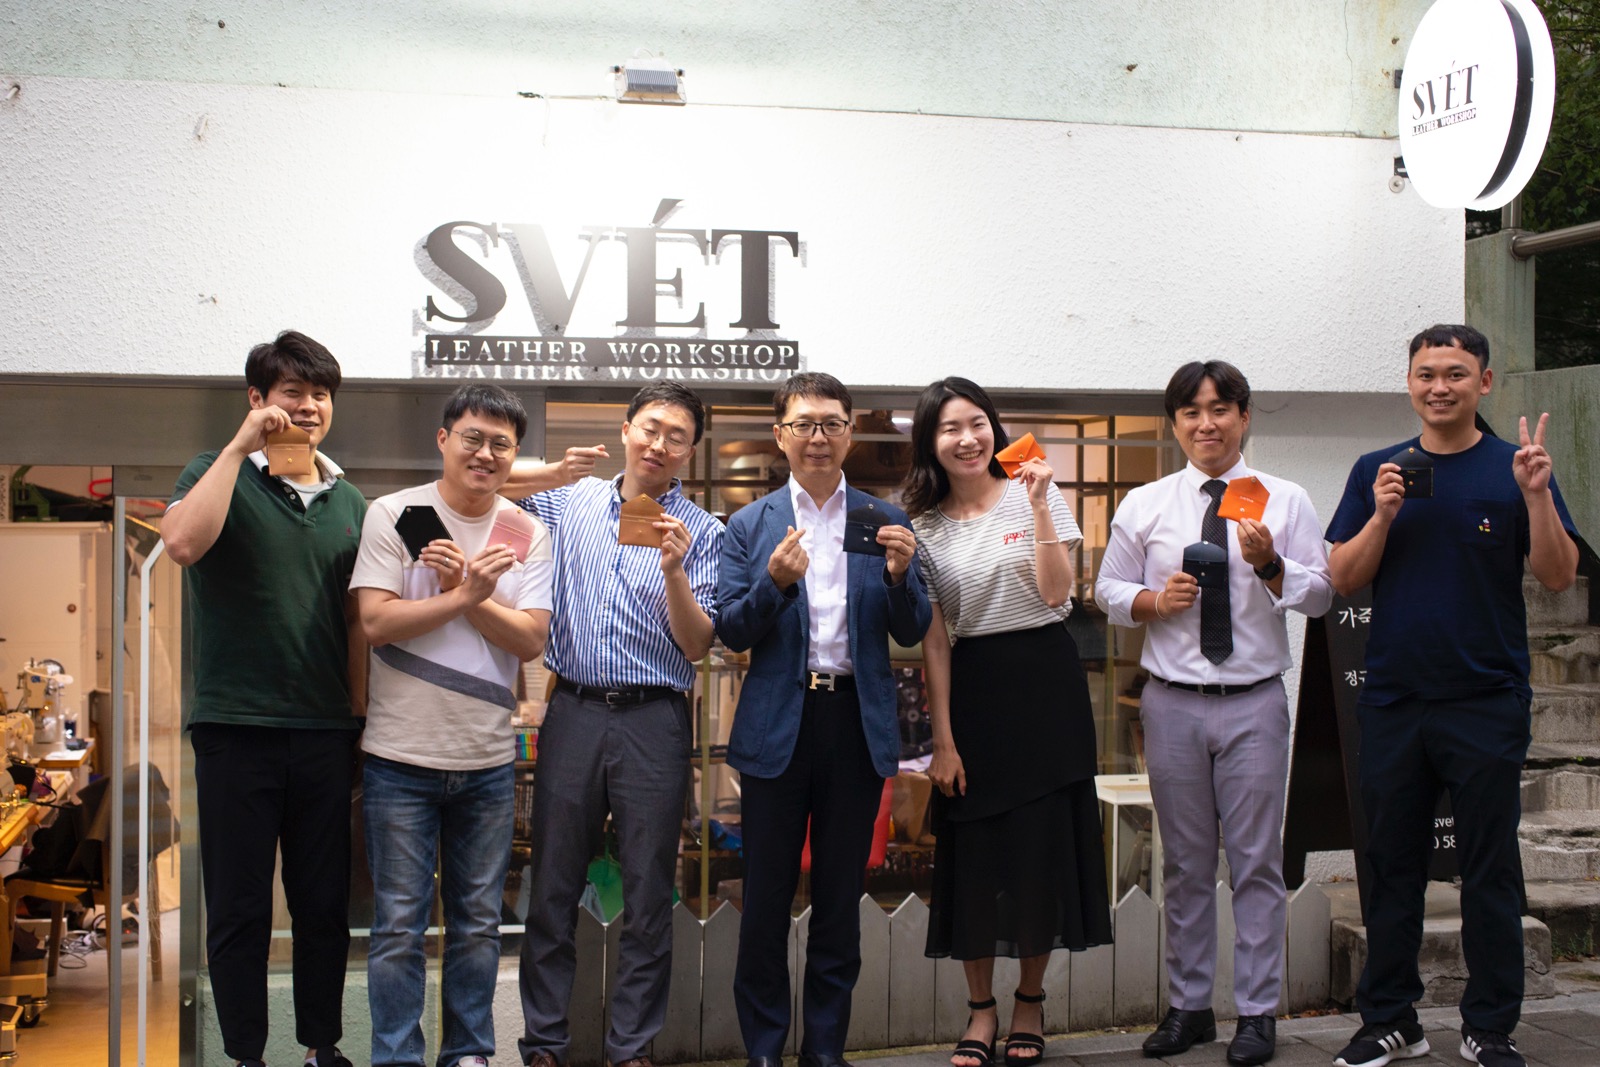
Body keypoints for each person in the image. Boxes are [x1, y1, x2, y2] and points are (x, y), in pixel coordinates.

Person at [1326, 325, 1578, 1067]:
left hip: (1486, 699)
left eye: (1457, 373)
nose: (1440, 386)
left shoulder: (1515, 466)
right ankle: (1389, 1019)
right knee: (1391, 864)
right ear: (1409, 382)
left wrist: (1536, 497)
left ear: (1484, 383)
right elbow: (1343, 578)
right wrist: (1382, 514)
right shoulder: (1377, 470)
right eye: (1427, 373)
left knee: (1490, 866)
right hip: (1394, 700)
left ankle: (1489, 1024)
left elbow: (1558, 574)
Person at [1096, 360, 1333, 1066]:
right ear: (1175, 424)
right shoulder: (1146, 503)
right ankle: (1190, 1007)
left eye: (1221, 409)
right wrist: (1152, 601)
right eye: (1192, 412)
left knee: (1257, 862)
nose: (1207, 424)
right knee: (1186, 864)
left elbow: (1322, 596)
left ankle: (1257, 1013)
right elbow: (1108, 588)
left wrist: (1271, 566)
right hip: (1171, 702)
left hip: (1254, 701)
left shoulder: (1285, 500)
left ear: (1245, 416)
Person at [717, 371, 932, 1067]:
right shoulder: (749, 524)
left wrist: (899, 577)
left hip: (854, 723)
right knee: (766, 900)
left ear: (849, 432)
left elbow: (912, 626)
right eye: (804, 423)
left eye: (832, 423)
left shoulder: (882, 518)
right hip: (777, 723)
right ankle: (764, 1050)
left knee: (841, 900)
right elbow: (732, 629)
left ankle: (826, 1050)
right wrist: (774, 583)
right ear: (780, 434)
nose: (818, 436)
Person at [163, 330, 365, 1067]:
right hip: (235, 727)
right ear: (257, 398)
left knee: (323, 906)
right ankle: (245, 1054)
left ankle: (320, 1048)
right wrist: (238, 447)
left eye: (320, 394)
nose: (308, 406)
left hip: (324, 731)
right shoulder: (213, 471)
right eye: (292, 392)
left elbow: (358, 622)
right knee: (239, 906)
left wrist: (358, 722)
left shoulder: (351, 500)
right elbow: (182, 544)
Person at [507, 382, 723, 1067]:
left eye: (677, 436)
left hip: (655, 718)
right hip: (572, 708)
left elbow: (697, 644)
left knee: (649, 890)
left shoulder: (704, 532)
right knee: (553, 885)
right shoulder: (569, 502)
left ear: (692, 449)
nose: (660, 444)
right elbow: (482, 484)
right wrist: (552, 469)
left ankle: (631, 1047)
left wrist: (675, 570)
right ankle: (544, 1042)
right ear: (626, 429)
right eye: (651, 428)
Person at [903, 377, 1112, 1067]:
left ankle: (1029, 1001)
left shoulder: (1036, 492)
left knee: (1038, 857)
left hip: (1046, 686)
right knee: (975, 859)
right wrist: (942, 739)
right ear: (931, 442)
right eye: (949, 428)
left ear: (993, 428)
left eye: (977, 423)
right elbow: (935, 639)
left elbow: (1056, 593)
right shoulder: (923, 525)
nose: (967, 438)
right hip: (975, 690)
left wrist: (1041, 505)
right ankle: (980, 1009)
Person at [350, 383, 554, 1067]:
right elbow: (376, 622)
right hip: (398, 757)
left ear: (514, 454)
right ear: (443, 439)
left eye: (501, 443)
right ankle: (396, 1057)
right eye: (473, 437)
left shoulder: (524, 532)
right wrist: (469, 592)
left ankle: (468, 1053)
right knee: (397, 927)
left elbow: (530, 639)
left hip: (487, 761)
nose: (485, 453)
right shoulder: (397, 513)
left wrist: (466, 593)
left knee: (477, 925)